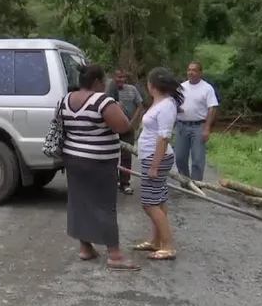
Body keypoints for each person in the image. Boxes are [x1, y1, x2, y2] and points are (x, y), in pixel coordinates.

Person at [61, 63, 139, 270]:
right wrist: (119, 110)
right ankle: (115, 255)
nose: (106, 85)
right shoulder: (102, 101)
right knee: (105, 206)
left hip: (73, 160)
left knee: (80, 203)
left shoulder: (65, 100)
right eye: (104, 81)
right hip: (99, 162)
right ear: (96, 82)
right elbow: (123, 127)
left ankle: (85, 249)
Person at [133, 67, 183, 260]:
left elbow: (163, 137)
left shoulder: (166, 106)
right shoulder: (160, 102)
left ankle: (168, 245)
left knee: (149, 203)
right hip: (152, 156)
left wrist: (154, 165)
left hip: (156, 158)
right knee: (158, 199)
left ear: (151, 85)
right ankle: (155, 241)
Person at [175, 61, 219, 181]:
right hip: (181, 125)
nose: (191, 72)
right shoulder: (181, 87)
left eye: (194, 70)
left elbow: (212, 108)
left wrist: (207, 128)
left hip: (198, 126)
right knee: (179, 157)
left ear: (200, 72)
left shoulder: (207, 88)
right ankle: (185, 182)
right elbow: (174, 103)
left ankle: (196, 184)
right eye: (189, 70)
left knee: (198, 159)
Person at [109, 70, 145, 195]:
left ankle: (125, 183)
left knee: (126, 156)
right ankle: (112, 181)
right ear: (114, 77)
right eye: (118, 76)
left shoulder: (132, 90)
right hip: (112, 128)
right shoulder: (109, 90)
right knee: (111, 155)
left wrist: (133, 123)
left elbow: (140, 106)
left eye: (123, 77)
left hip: (128, 129)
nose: (120, 79)